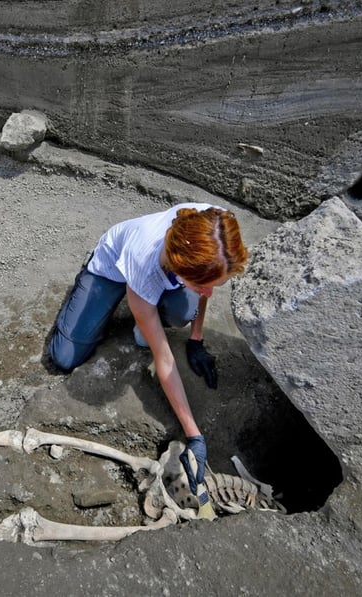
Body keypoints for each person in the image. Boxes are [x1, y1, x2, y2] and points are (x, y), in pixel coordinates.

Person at [47, 202, 250, 516]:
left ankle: (156, 311)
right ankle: (103, 295)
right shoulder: (144, 264)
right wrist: (193, 432)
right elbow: (164, 359)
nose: (208, 294)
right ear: (179, 265)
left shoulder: (216, 227)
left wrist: (197, 338)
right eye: (200, 285)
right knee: (64, 356)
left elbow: (207, 282)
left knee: (184, 309)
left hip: (166, 275)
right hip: (112, 267)